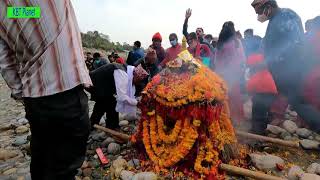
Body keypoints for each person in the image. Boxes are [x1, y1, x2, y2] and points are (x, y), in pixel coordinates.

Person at [0, 1, 92, 179]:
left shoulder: (10, 10)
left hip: (34, 99)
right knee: (63, 169)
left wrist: (23, 94)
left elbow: (5, 61)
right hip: (65, 93)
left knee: (42, 163)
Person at [251, 0, 320, 132]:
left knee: (299, 103)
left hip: (289, 69)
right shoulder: (274, 20)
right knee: (261, 96)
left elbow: (292, 45)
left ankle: (257, 129)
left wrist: (268, 61)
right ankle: (257, 130)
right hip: (277, 69)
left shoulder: (287, 16)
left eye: (260, 12)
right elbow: (269, 43)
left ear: (269, 7)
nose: (259, 16)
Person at [88, 64, 148, 129]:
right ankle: (112, 127)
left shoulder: (128, 71)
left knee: (102, 104)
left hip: (101, 85)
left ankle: (92, 124)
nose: (136, 84)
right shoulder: (122, 74)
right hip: (94, 83)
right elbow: (122, 97)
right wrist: (137, 103)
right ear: (135, 76)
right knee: (110, 104)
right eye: (137, 81)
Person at [215, 21, 246, 123]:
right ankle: (237, 119)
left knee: (224, 97)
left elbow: (216, 60)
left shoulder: (220, 43)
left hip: (223, 74)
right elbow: (242, 59)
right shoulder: (237, 42)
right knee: (235, 96)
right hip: (234, 74)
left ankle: (224, 118)